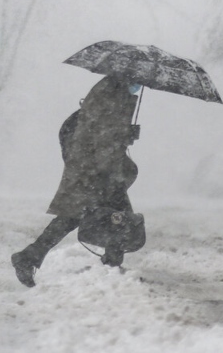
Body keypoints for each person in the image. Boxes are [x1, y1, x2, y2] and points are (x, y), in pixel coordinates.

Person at [11, 75, 140, 287]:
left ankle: (30, 257)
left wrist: (124, 135)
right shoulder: (110, 92)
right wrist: (123, 136)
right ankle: (111, 268)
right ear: (128, 75)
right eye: (138, 80)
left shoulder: (114, 90)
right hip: (95, 168)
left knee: (85, 215)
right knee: (114, 215)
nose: (140, 85)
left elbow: (102, 132)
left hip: (95, 166)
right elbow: (101, 135)